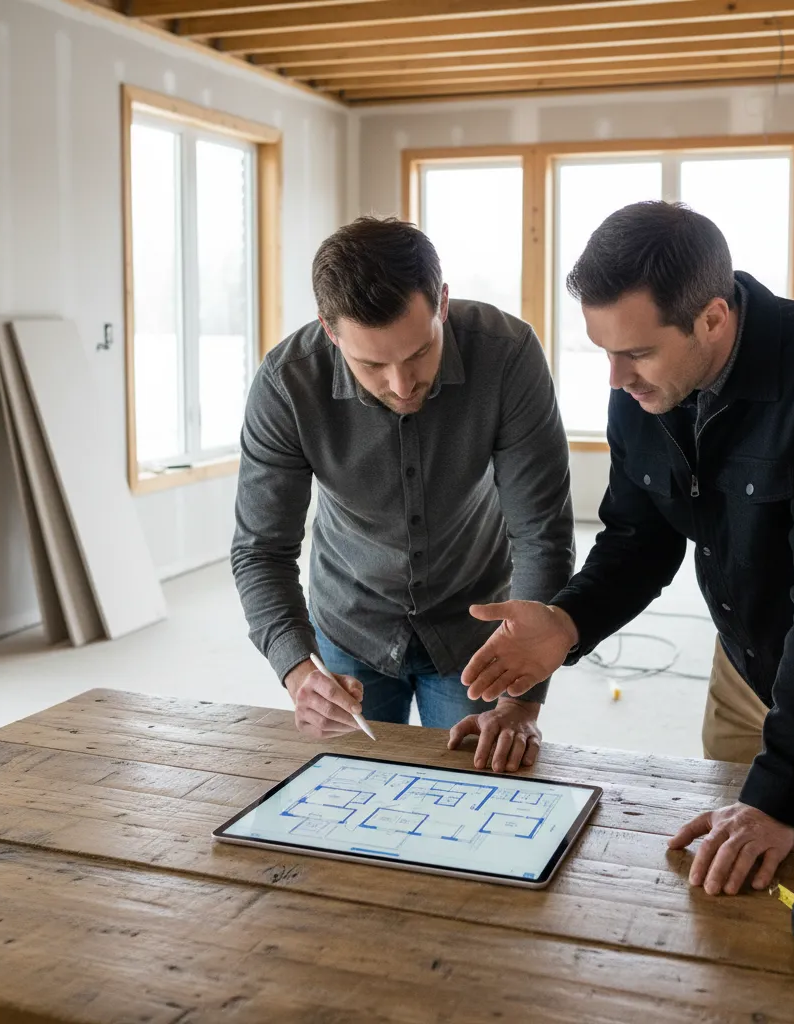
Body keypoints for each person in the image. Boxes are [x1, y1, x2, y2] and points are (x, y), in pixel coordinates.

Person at [461, 200, 794, 892]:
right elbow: (638, 538)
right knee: (734, 880)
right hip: (745, 671)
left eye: (636, 351)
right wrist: (568, 623)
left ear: (713, 318)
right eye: (603, 350)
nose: (616, 378)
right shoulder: (640, 391)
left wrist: (776, 799)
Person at [231, 216, 574, 773]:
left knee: (474, 802)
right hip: (349, 624)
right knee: (349, 807)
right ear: (330, 329)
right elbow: (260, 550)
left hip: (478, 635)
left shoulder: (508, 354)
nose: (401, 384)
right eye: (371, 364)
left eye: (418, 353)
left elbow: (542, 534)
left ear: (441, 302)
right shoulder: (285, 384)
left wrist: (521, 699)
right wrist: (297, 670)